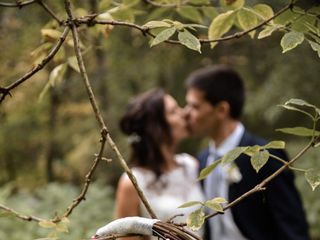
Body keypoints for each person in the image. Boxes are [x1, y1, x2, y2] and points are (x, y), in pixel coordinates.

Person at [184, 65, 310, 240]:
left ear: (221, 110)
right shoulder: (203, 159)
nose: (186, 113)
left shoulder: (266, 156)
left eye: (194, 106)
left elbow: (292, 226)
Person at [116, 88, 205, 240]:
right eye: (173, 112)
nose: (184, 113)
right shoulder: (132, 183)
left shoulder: (191, 165)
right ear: (156, 128)